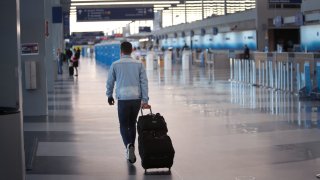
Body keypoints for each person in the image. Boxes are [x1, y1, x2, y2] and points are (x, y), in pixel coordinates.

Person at [106, 41, 151, 164]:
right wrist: (145, 100)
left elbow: (110, 81)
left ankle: (128, 145)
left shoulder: (115, 64)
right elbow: (144, 83)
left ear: (121, 51)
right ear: (131, 50)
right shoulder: (139, 64)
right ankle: (131, 148)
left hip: (123, 99)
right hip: (136, 98)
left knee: (123, 125)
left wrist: (109, 95)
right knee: (132, 124)